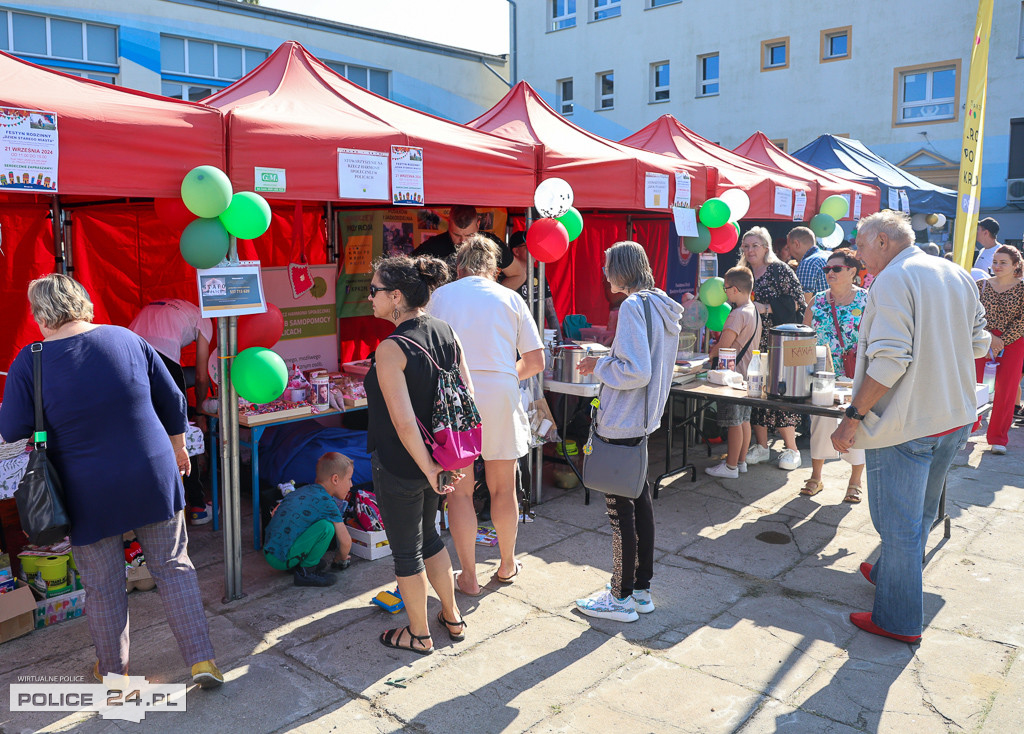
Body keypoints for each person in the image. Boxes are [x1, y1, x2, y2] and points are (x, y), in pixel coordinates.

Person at [0, 274, 223, 687]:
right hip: (153, 472)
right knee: (174, 567)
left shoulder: (30, 360)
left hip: (87, 488)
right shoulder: (125, 338)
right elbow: (174, 398)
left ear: (39, 315)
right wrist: (178, 448)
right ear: (82, 301)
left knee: (103, 586)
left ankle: (114, 674)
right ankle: (202, 661)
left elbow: (11, 428)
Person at [831, 211, 989, 643]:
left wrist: (853, 417)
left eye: (861, 247)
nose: (859, 258)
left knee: (898, 524)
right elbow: (980, 341)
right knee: (917, 512)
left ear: (883, 241)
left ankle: (898, 619)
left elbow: (890, 360)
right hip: (953, 415)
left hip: (909, 424)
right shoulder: (955, 272)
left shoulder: (893, 280)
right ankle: (890, 575)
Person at [428, 235, 545, 595]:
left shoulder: (440, 296)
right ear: (495, 270)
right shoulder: (510, 297)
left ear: (458, 267)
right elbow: (536, 361)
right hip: (500, 393)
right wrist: (507, 374)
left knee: (459, 493)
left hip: (455, 398)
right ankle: (507, 564)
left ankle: (468, 576)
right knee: (502, 487)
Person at [573, 241, 683, 622]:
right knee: (640, 501)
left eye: (607, 267)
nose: (604, 275)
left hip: (623, 420)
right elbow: (642, 361)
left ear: (621, 270)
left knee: (621, 511)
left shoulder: (634, 306)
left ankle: (619, 597)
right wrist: (605, 360)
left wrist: (599, 368)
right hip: (642, 418)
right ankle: (639, 591)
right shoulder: (658, 303)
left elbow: (636, 371)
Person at [364, 255, 465, 654]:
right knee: (430, 538)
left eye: (374, 291)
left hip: (403, 464)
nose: (369, 298)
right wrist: (445, 465)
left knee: (407, 551)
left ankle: (419, 634)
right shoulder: (445, 331)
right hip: (438, 460)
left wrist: (431, 471)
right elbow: (464, 398)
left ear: (396, 296)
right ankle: (453, 617)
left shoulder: (391, 348)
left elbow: (405, 424)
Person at [129, 298, 213, 525]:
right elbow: (201, 376)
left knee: (141, 434)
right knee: (182, 434)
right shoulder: (204, 318)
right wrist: (202, 412)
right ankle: (197, 505)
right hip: (162, 361)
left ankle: (144, 508)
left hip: (129, 356)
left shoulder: (165, 306)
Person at [801, 248, 868, 501]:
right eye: (827, 269)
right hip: (823, 374)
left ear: (852, 271)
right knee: (820, 423)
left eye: (836, 269)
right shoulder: (817, 300)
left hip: (856, 374)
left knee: (856, 424)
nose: (830, 273)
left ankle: (855, 482)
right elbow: (804, 335)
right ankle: (816, 477)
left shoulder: (866, 300)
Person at [737, 227, 805, 471]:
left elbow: (797, 303)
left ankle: (791, 449)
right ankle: (762, 446)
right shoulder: (743, 273)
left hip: (779, 342)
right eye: (746, 246)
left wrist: (764, 307)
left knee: (780, 393)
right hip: (753, 342)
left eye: (755, 245)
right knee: (756, 392)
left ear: (766, 247)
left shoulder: (779, 269)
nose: (750, 250)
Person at [262, 452, 354, 587]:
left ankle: (299, 563)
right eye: (349, 479)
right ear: (335, 479)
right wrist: (340, 558)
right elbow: (346, 542)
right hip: (281, 558)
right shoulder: (327, 503)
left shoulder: (303, 490)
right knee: (326, 527)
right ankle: (306, 572)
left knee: (311, 524)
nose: (351, 484)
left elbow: (276, 511)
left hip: (271, 550)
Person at [705, 266, 762, 479]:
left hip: (732, 377)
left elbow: (723, 346)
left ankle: (730, 467)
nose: (724, 292)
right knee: (744, 419)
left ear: (736, 289)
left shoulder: (737, 314)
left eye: (726, 288)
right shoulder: (754, 310)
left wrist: (710, 353)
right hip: (747, 375)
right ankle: (741, 461)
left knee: (734, 423)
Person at [973, 245, 1024, 455]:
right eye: (995, 261)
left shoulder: (1022, 289)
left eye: (1003, 262)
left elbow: (1023, 321)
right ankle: (969, 426)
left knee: (1006, 389)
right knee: (972, 385)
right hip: (981, 340)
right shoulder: (980, 286)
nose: (997, 266)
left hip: (1013, 343)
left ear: (1016, 265)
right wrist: (989, 338)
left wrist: (1001, 341)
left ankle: (998, 437)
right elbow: (971, 314)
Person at [411, 205, 523, 282]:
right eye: (457, 235)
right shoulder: (434, 246)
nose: (463, 241)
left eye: (469, 235)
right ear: (449, 225)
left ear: (478, 224)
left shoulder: (491, 244)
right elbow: (407, 273)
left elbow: (518, 275)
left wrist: (496, 297)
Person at [502, 230, 563, 341]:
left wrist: (560, 342)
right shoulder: (503, 276)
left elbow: (550, 311)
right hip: (510, 338)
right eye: (529, 246)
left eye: (535, 246)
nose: (534, 250)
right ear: (516, 251)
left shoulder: (538, 273)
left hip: (535, 338)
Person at [788, 225, 830, 304]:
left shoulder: (808, 264)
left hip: (817, 315)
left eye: (789, 247)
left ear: (797, 244)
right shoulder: (829, 256)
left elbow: (803, 304)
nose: (789, 253)